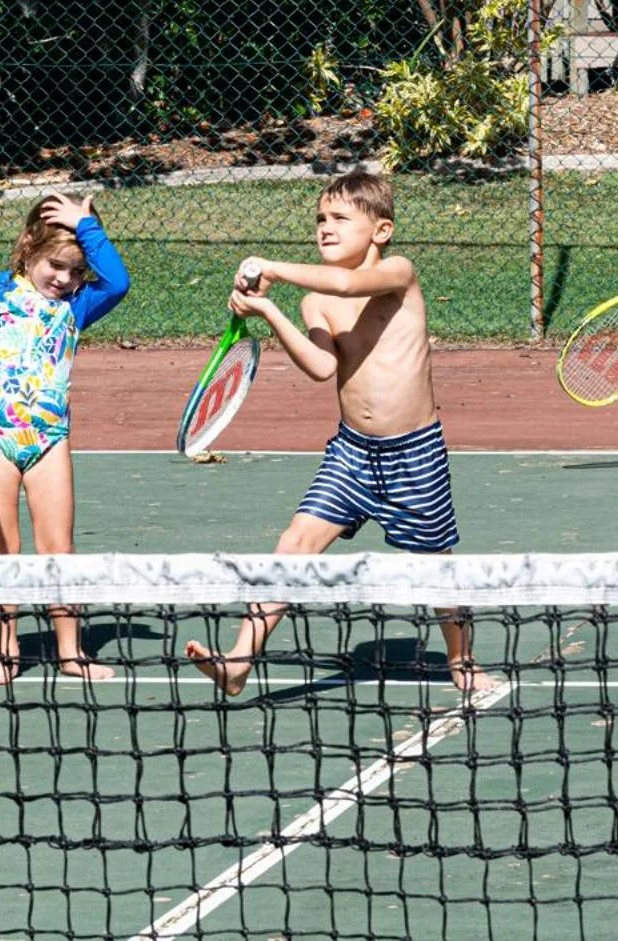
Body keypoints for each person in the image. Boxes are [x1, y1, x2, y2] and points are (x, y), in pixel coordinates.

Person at [183, 170, 496, 698]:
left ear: (381, 230)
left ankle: (462, 661)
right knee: (295, 542)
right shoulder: (316, 301)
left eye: (340, 219)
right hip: (351, 452)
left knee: (437, 567)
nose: (325, 228)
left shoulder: (399, 273)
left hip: (414, 454)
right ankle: (238, 662)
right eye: (320, 220)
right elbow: (322, 367)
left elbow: (350, 283)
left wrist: (272, 270)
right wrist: (267, 309)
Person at [0, 192, 130, 684]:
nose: (65, 279)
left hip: (49, 440)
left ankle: (71, 653)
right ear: (27, 247)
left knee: (58, 548)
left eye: (77, 271)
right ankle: (5, 654)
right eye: (57, 266)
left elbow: (119, 281)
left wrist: (86, 227)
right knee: (0, 548)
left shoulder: (79, 305)